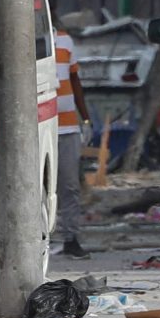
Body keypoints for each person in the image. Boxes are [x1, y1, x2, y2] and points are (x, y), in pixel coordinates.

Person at [53, 30, 92, 260]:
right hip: (38, 127)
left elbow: (75, 80)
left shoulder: (65, 41)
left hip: (68, 126)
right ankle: (38, 240)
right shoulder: (28, 39)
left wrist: (85, 119)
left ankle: (70, 238)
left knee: (69, 186)